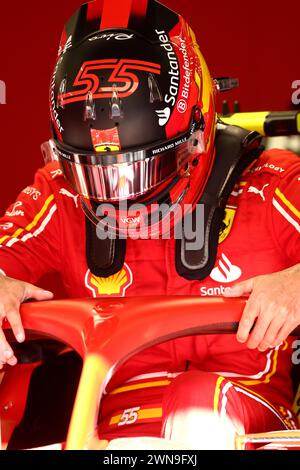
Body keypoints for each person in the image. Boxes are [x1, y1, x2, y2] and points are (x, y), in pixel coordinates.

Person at [0, 0, 299, 449]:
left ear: (195, 137)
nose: (121, 196)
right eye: (97, 173)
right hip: (105, 430)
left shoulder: (271, 186)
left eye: (139, 170)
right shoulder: (59, 196)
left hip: (251, 418)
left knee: (196, 411)